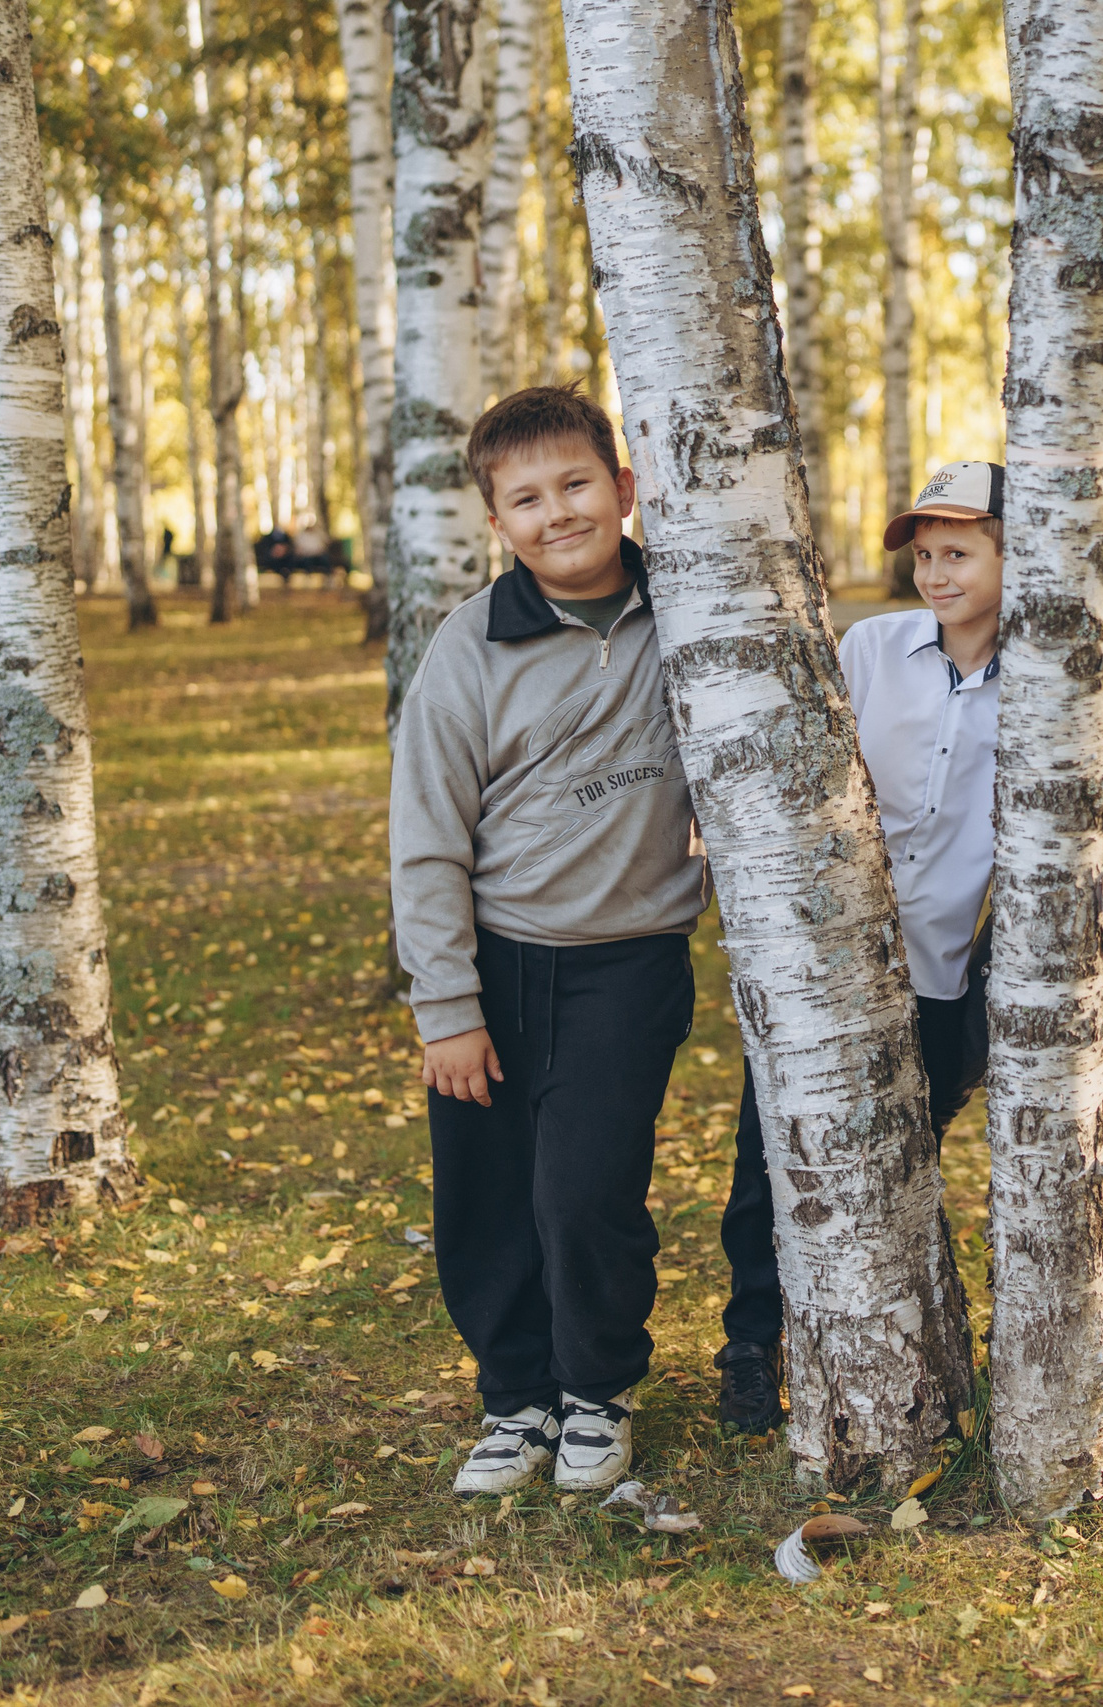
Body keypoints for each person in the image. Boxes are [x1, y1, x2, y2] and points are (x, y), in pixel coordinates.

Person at [389, 383, 706, 1496]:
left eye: (576, 484)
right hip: (498, 966)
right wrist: (448, 1009)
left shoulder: (700, 612)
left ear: (624, 490)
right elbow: (426, 838)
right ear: (496, 523)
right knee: (484, 1201)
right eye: (524, 499)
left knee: (584, 1195)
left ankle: (596, 1389)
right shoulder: (471, 647)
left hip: (628, 965)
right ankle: (513, 1398)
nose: (556, 513)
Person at [714, 461, 1009, 1437]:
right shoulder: (876, 649)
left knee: (896, 1153)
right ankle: (751, 1342)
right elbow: (797, 756)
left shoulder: (1044, 687)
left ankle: (885, 1331)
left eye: (959, 553)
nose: (935, 573)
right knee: (773, 1147)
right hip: (827, 950)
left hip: (933, 966)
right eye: (924, 555)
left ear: (1018, 558)